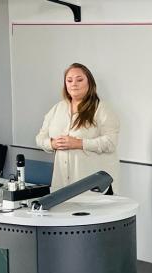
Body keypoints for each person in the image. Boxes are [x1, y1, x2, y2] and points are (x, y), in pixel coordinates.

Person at [36, 63, 120, 193]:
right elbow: (40, 137)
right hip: (62, 183)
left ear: (90, 83)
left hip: (93, 185)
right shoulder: (57, 109)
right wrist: (52, 144)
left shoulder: (102, 109)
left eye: (79, 80)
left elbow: (110, 143)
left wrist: (79, 143)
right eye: (69, 80)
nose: (74, 84)